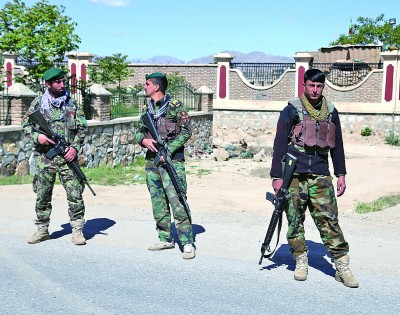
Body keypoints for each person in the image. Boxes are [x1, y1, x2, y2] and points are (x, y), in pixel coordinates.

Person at [270, 68, 359, 288]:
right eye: (312, 85)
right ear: (304, 85)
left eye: (319, 86)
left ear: (323, 87)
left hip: (321, 172)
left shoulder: (330, 111)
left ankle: (341, 266)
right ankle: (300, 260)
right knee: (295, 220)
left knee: (329, 220)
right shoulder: (291, 110)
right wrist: (276, 176)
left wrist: (341, 174)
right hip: (294, 174)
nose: (315, 90)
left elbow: (337, 145)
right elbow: (279, 144)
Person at [21, 67, 88, 246]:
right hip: (46, 157)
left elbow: (82, 128)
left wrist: (74, 147)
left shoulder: (72, 104)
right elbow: (26, 125)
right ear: (48, 84)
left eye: (63, 81)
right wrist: (38, 137)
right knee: (42, 194)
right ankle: (42, 229)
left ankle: (77, 230)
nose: (61, 84)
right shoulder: (38, 104)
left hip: (67, 157)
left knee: (75, 193)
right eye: (57, 82)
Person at [135, 72, 195, 259]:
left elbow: (186, 132)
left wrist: (167, 150)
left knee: (177, 199)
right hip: (152, 162)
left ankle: (187, 242)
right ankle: (165, 238)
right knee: (158, 200)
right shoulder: (147, 109)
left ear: (156, 87)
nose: (144, 87)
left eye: (147, 84)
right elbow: (138, 132)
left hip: (172, 161)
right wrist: (144, 141)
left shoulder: (175, 107)